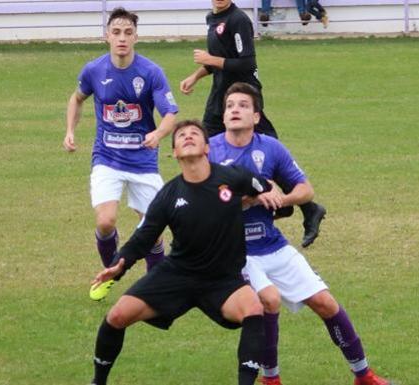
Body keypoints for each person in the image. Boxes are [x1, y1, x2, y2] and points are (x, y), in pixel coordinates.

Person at [208, 83, 393, 385]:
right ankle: (271, 379)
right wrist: (255, 195)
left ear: (256, 116)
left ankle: (364, 375)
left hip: (273, 244)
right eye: (230, 106)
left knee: (326, 303)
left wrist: (282, 199)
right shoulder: (210, 149)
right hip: (236, 251)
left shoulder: (270, 147)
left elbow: (306, 190)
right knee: (269, 302)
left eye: (243, 105)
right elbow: (208, 203)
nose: (234, 110)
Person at [88, 119, 275, 385]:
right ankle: (98, 381)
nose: (187, 137)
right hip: (177, 273)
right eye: (181, 135)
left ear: (207, 148)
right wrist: (120, 264)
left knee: (254, 308)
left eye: (195, 134)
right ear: (175, 152)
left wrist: (268, 194)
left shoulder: (232, 177)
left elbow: (264, 188)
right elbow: (145, 236)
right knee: (117, 315)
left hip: (223, 280)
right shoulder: (168, 194)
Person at [179, 0, 326, 248]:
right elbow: (222, 58)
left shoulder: (238, 20)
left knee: (267, 151)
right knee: (209, 150)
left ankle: (298, 206)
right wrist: (195, 76)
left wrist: (210, 60)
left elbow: (246, 63)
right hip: (221, 99)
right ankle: (301, 207)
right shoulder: (212, 18)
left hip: (244, 98)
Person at [63, 8, 178, 300]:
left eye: (128, 33)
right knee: (105, 221)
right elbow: (76, 99)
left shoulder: (150, 72)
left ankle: (155, 290)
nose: (122, 38)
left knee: (152, 228)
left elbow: (170, 115)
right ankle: (110, 273)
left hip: (143, 160)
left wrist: (159, 133)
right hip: (107, 158)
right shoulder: (94, 70)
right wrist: (70, 131)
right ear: (107, 36)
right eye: (116, 32)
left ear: (136, 37)